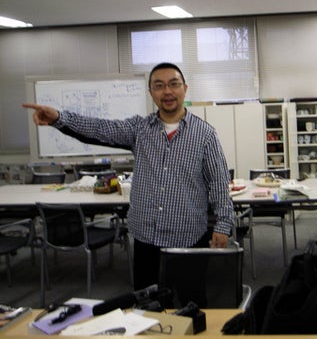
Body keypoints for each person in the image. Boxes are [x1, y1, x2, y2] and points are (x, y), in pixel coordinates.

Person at [23, 62, 234, 291]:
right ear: (151, 92)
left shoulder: (205, 134)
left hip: (188, 237)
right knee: (146, 302)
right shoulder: (139, 129)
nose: (167, 91)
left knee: (192, 301)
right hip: (146, 237)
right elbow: (99, 128)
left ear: (185, 88)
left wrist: (223, 225)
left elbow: (218, 182)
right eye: (159, 86)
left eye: (174, 84)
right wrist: (58, 118)